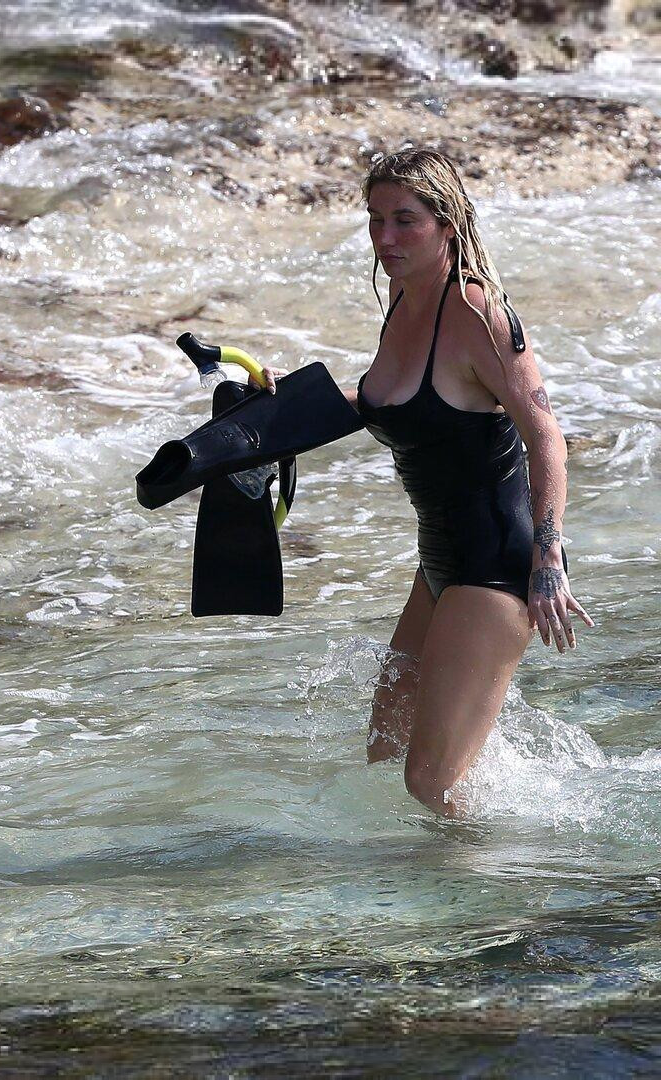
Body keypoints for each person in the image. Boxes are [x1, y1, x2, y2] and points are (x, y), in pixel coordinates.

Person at [259, 148, 594, 818]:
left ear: (446, 223)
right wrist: (279, 405)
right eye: (375, 219)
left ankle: (507, 884)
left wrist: (549, 558)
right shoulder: (403, 302)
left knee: (431, 783)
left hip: (496, 569)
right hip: (438, 564)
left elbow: (546, 436)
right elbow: (386, 403)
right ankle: (448, 866)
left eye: (404, 220)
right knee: (387, 753)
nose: (385, 237)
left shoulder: (476, 313)